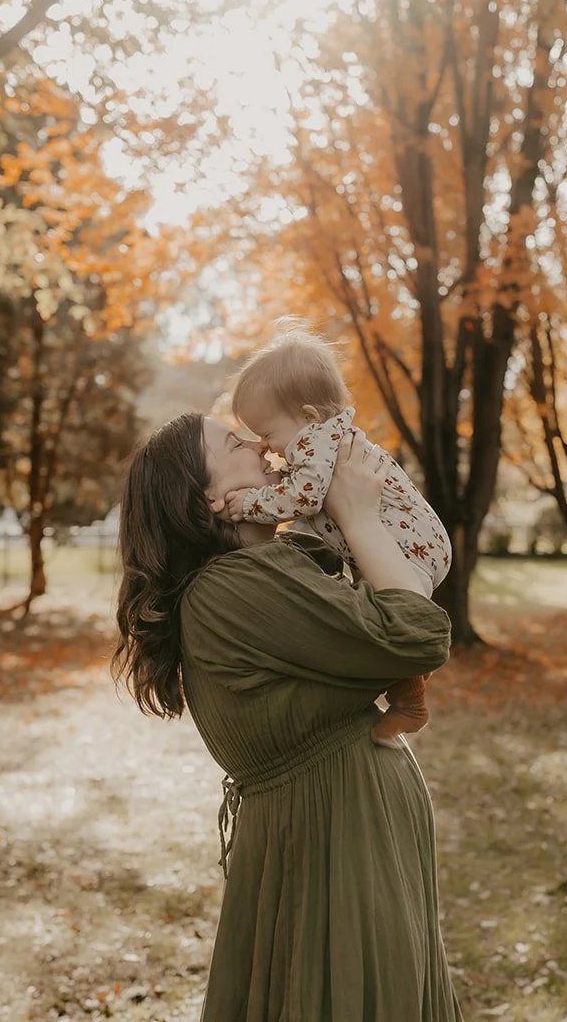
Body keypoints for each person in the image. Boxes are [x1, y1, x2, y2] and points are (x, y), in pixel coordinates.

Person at [113, 412, 463, 1022]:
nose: (257, 444)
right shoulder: (233, 587)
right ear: (210, 500)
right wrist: (356, 516)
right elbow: (416, 636)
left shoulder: (272, 567)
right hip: (333, 832)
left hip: (340, 821)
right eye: (233, 443)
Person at [221, 329, 452, 743]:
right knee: (377, 618)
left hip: (409, 546)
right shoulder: (321, 445)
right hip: (404, 543)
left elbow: (303, 499)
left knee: (395, 623)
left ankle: (411, 689)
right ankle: (409, 700)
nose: (267, 448)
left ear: (308, 417)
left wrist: (250, 503)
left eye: (268, 433)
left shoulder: (320, 441)